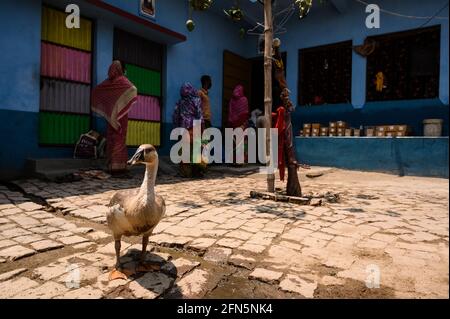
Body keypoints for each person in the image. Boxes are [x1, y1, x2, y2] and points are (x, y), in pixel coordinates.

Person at [91, 60, 137, 176]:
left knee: (112, 139)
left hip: (111, 117)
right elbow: (133, 89)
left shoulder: (108, 83)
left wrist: (108, 109)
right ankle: (119, 168)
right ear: (121, 69)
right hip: (121, 116)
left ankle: (112, 166)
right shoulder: (122, 80)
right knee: (120, 139)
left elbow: (96, 91)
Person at [173, 82, 206, 177]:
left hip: (183, 128)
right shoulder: (196, 100)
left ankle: (185, 173)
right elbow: (200, 115)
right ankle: (197, 172)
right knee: (196, 150)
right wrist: (203, 129)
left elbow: (175, 116)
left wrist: (176, 128)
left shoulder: (180, 102)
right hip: (195, 127)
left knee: (185, 151)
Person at [228, 85, 250, 164]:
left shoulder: (231, 100)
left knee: (234, 143)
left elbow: (230, 113)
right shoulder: (244, 99)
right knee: (242, 142)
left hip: (233, 125)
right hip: (242, 125)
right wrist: (243, 124)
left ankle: (233, 161)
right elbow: (245, 113)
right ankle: (242, 160)